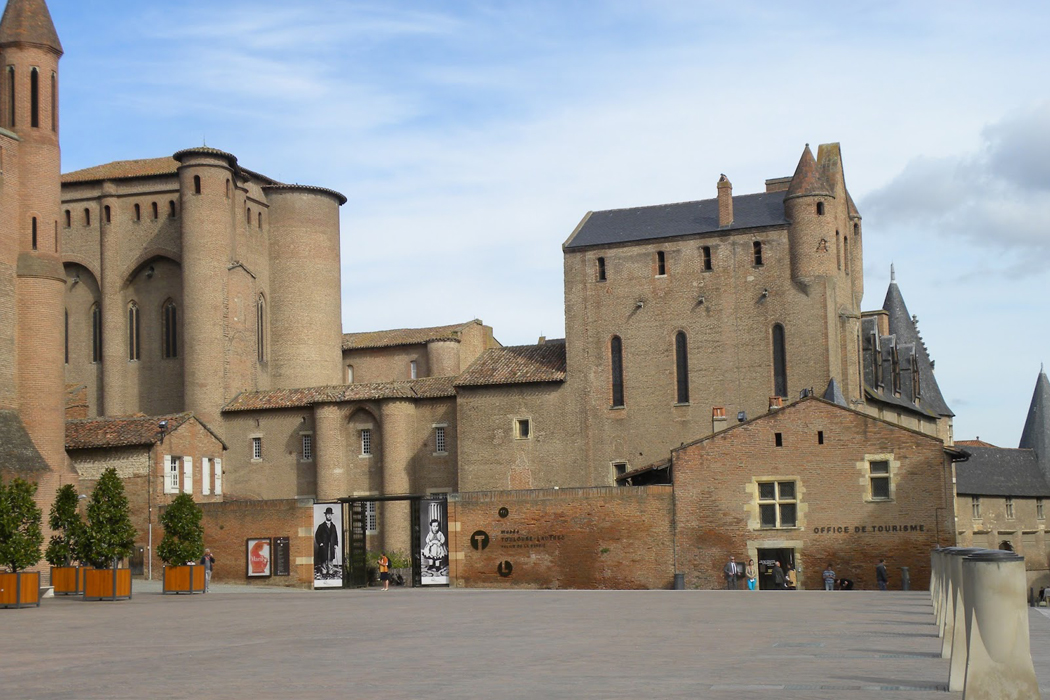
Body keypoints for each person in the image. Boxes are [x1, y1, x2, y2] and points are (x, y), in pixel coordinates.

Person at [314, 507, 339, 577]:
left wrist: (336, 544)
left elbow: (335, 536)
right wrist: (320, 543)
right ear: (325, 515)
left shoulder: (333, 526)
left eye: (330, 514)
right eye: (328, 514)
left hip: (331, 545)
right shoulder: (321, 526)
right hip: (324, 545)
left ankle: (330, 570)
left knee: (330, 557)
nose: (329, 516)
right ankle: (324, 570)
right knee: (324, 558)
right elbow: (317, 535)